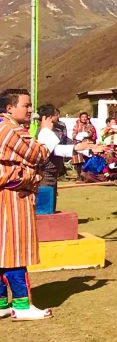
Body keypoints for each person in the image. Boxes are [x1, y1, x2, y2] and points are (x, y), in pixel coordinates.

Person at [0, 89, 53, 319]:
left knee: (2, 249)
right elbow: (37, 154)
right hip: (11, 197)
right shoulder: (9, 129)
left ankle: (1, 302)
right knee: (14, 249)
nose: (31, 110)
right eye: (26, 105)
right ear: (10, 108)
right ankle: (22, 306)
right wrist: (46, 133)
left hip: (8, 194)